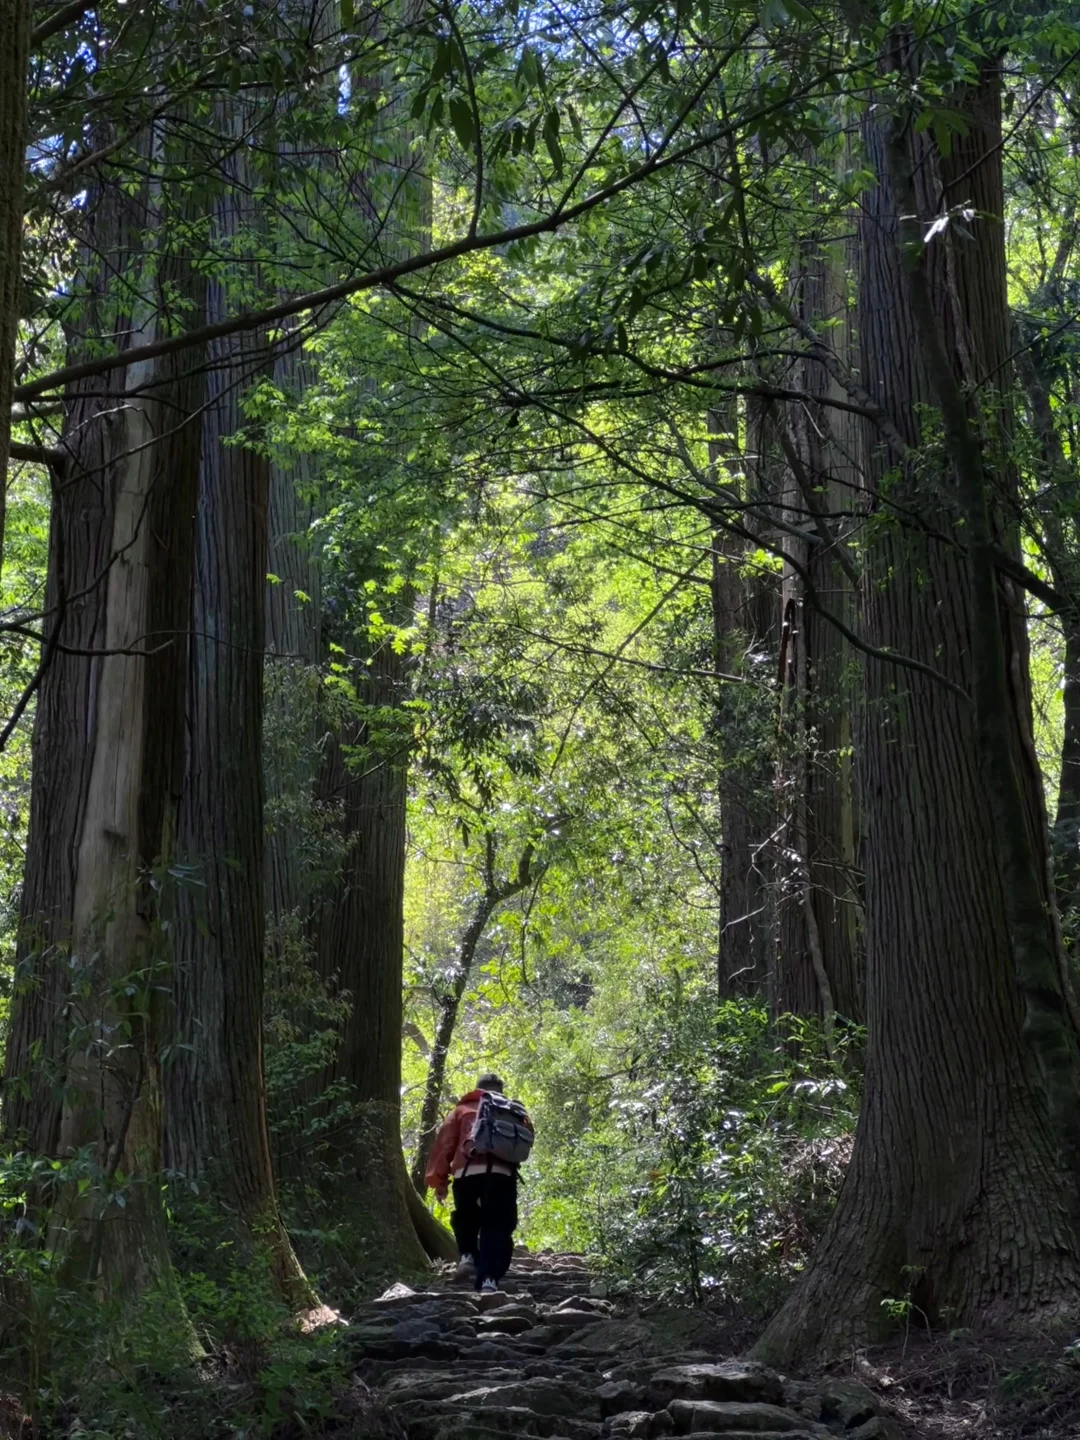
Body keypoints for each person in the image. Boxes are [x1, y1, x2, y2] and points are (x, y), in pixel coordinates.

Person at [425, 1072, 530, 1292]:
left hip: (467, 1173)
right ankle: (489, 1279)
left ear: (477, 1088)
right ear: (500, 1090)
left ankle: (468, 1256)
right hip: (503, 1175)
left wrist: (439, 1181)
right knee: (497, 1226)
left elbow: (445, 1145)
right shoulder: (512, 1110)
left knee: (466, 1218)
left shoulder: (460, 1111)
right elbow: (526, 1137)